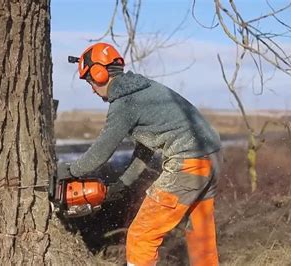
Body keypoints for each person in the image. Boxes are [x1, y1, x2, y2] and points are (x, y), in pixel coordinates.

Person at [64, 42, 222, 266]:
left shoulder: (124, 102)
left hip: (188, 163)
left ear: (99, 74)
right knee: (200, 234)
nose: (91, 89)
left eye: (90, 81)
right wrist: (123, 183)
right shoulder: (143, 89)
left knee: (141, 235)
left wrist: (70, 170)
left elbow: (101, 152)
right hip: (212, 158)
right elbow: (145, 149)